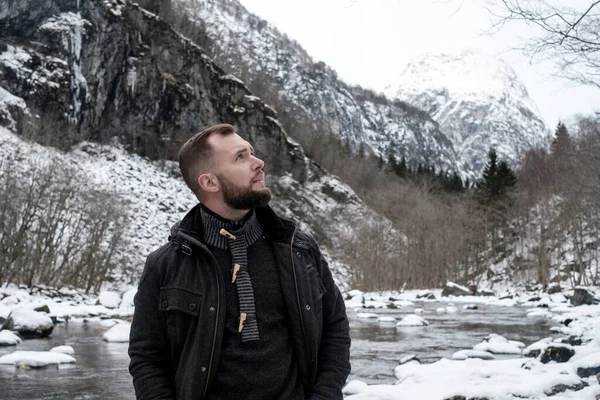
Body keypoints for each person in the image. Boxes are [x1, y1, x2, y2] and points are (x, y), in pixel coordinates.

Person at [128, 123, 351, 399]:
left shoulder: (299, 249)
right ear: (210, 182)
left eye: (251, 153)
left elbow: (335, 330)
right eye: (240, 157)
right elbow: (146, 359)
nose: (259, 163)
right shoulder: (165, 265)